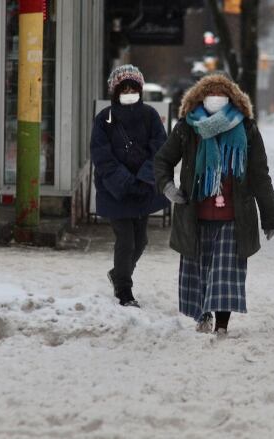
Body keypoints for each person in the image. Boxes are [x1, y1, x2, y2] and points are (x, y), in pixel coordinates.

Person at [154, 73, 274, 335]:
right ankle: (202, 316)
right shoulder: (188, 128)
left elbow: (259, 174)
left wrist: (270, 217)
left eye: (222, 96)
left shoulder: (246, 129)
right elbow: (162, 160)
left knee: (225, 275)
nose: (216, 100)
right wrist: (168, 187)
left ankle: (222, 325)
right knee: (198, 273)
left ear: (234, 101)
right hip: (194, 214)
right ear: (198, 100)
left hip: (234, 216)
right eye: (210, 96)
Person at [90, 64, 169, 307]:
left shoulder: (150, 115)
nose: (128, 92)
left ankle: (118, 274)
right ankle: (124, 289)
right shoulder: (105, 118)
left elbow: (160, 149)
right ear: (114, 91)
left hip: (143, 189)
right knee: (126, 240)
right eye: (123, 88)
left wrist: (144, 178)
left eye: (132, 87)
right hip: (115, 191)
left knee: (141, 240)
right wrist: (125, 181)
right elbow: (101, 156)